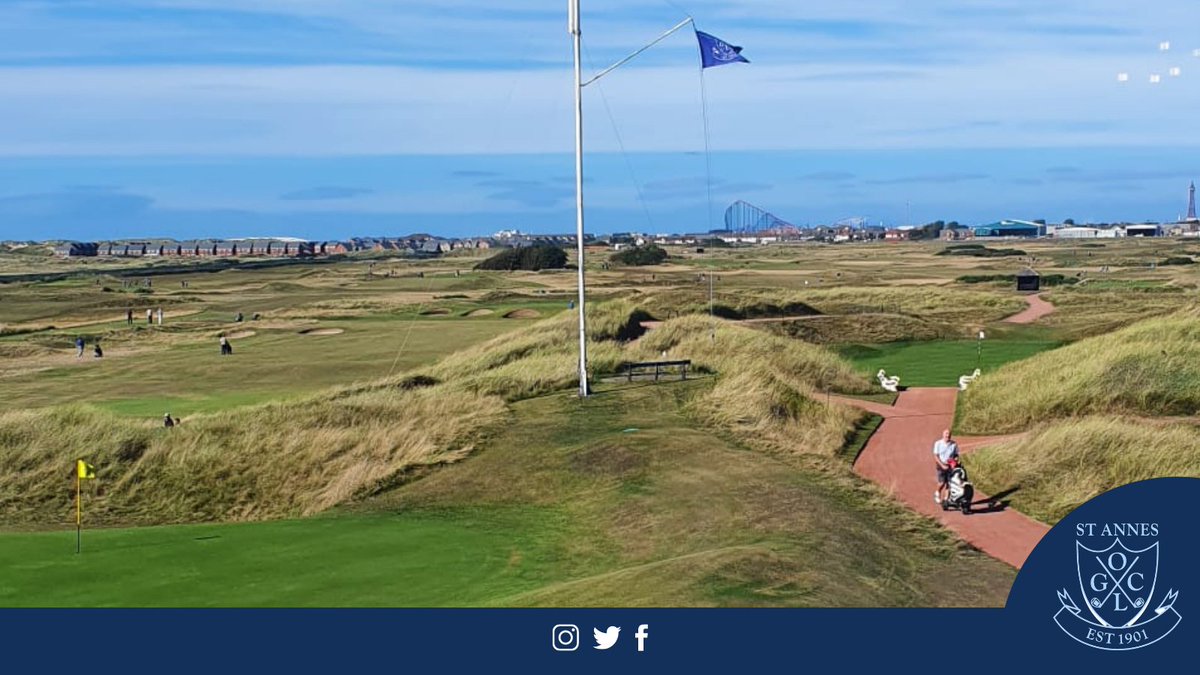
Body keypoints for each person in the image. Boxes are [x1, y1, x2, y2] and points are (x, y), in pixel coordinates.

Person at [933, 428, 960, 505]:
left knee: (949, 483)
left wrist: (955, 461)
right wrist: (942, 465)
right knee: (942, 482)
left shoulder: (954, 444)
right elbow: (936, 456)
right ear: (943, 434)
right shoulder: (938, 443)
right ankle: (937, 492)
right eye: (946, 434)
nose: (947, 436)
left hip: (950, 466)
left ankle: (946, 500)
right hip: (941, 465)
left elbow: (956, 455)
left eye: (949, 434)